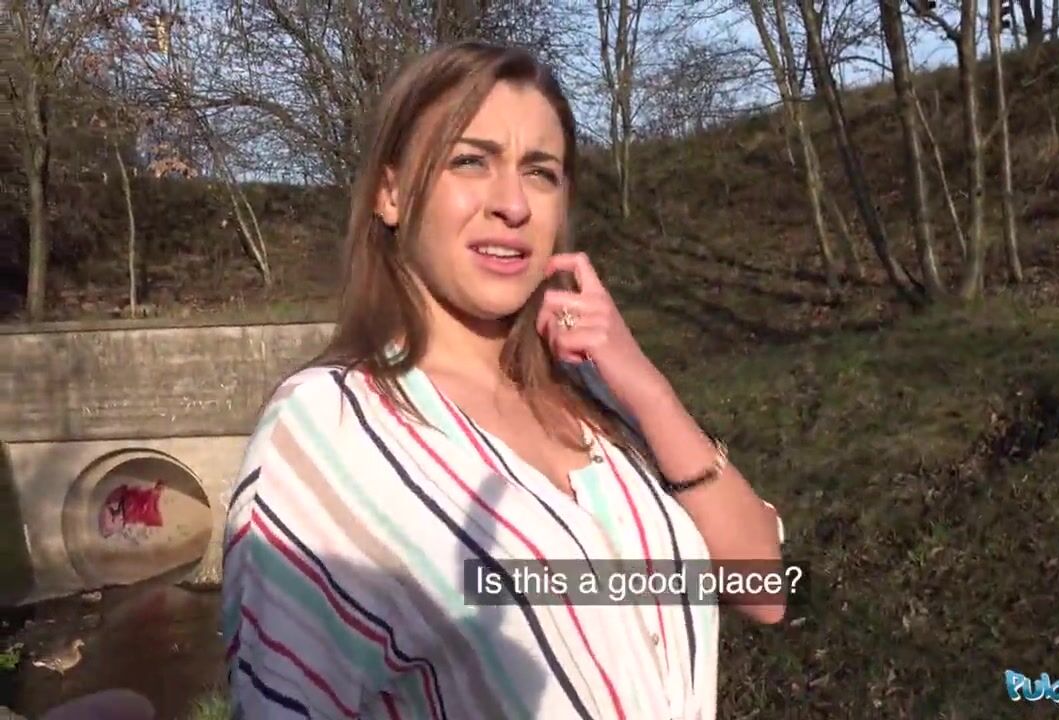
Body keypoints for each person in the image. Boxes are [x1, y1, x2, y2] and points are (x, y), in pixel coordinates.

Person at [220, 41, 785, 720]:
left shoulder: (596, 402)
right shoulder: (325, 430)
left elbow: (765, 592)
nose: (512, 204)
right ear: (390, 193)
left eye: (540, 172)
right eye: (470, 161)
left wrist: (647, 389)